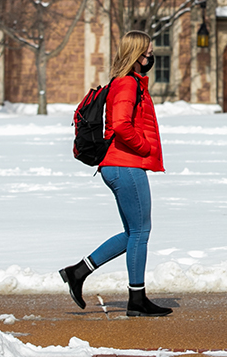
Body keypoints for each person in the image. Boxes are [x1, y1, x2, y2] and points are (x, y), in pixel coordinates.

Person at [60, 31, 173, 317]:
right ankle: (137, 299)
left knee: (133, 232)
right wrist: (144, 145)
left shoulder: (128, 83)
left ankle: (78, 272)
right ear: (136, 55)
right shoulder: (126, 84)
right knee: (141, 232)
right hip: (125, 164)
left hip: (121, 165)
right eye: (147, 53)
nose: (151, 57)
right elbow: (121, 125)